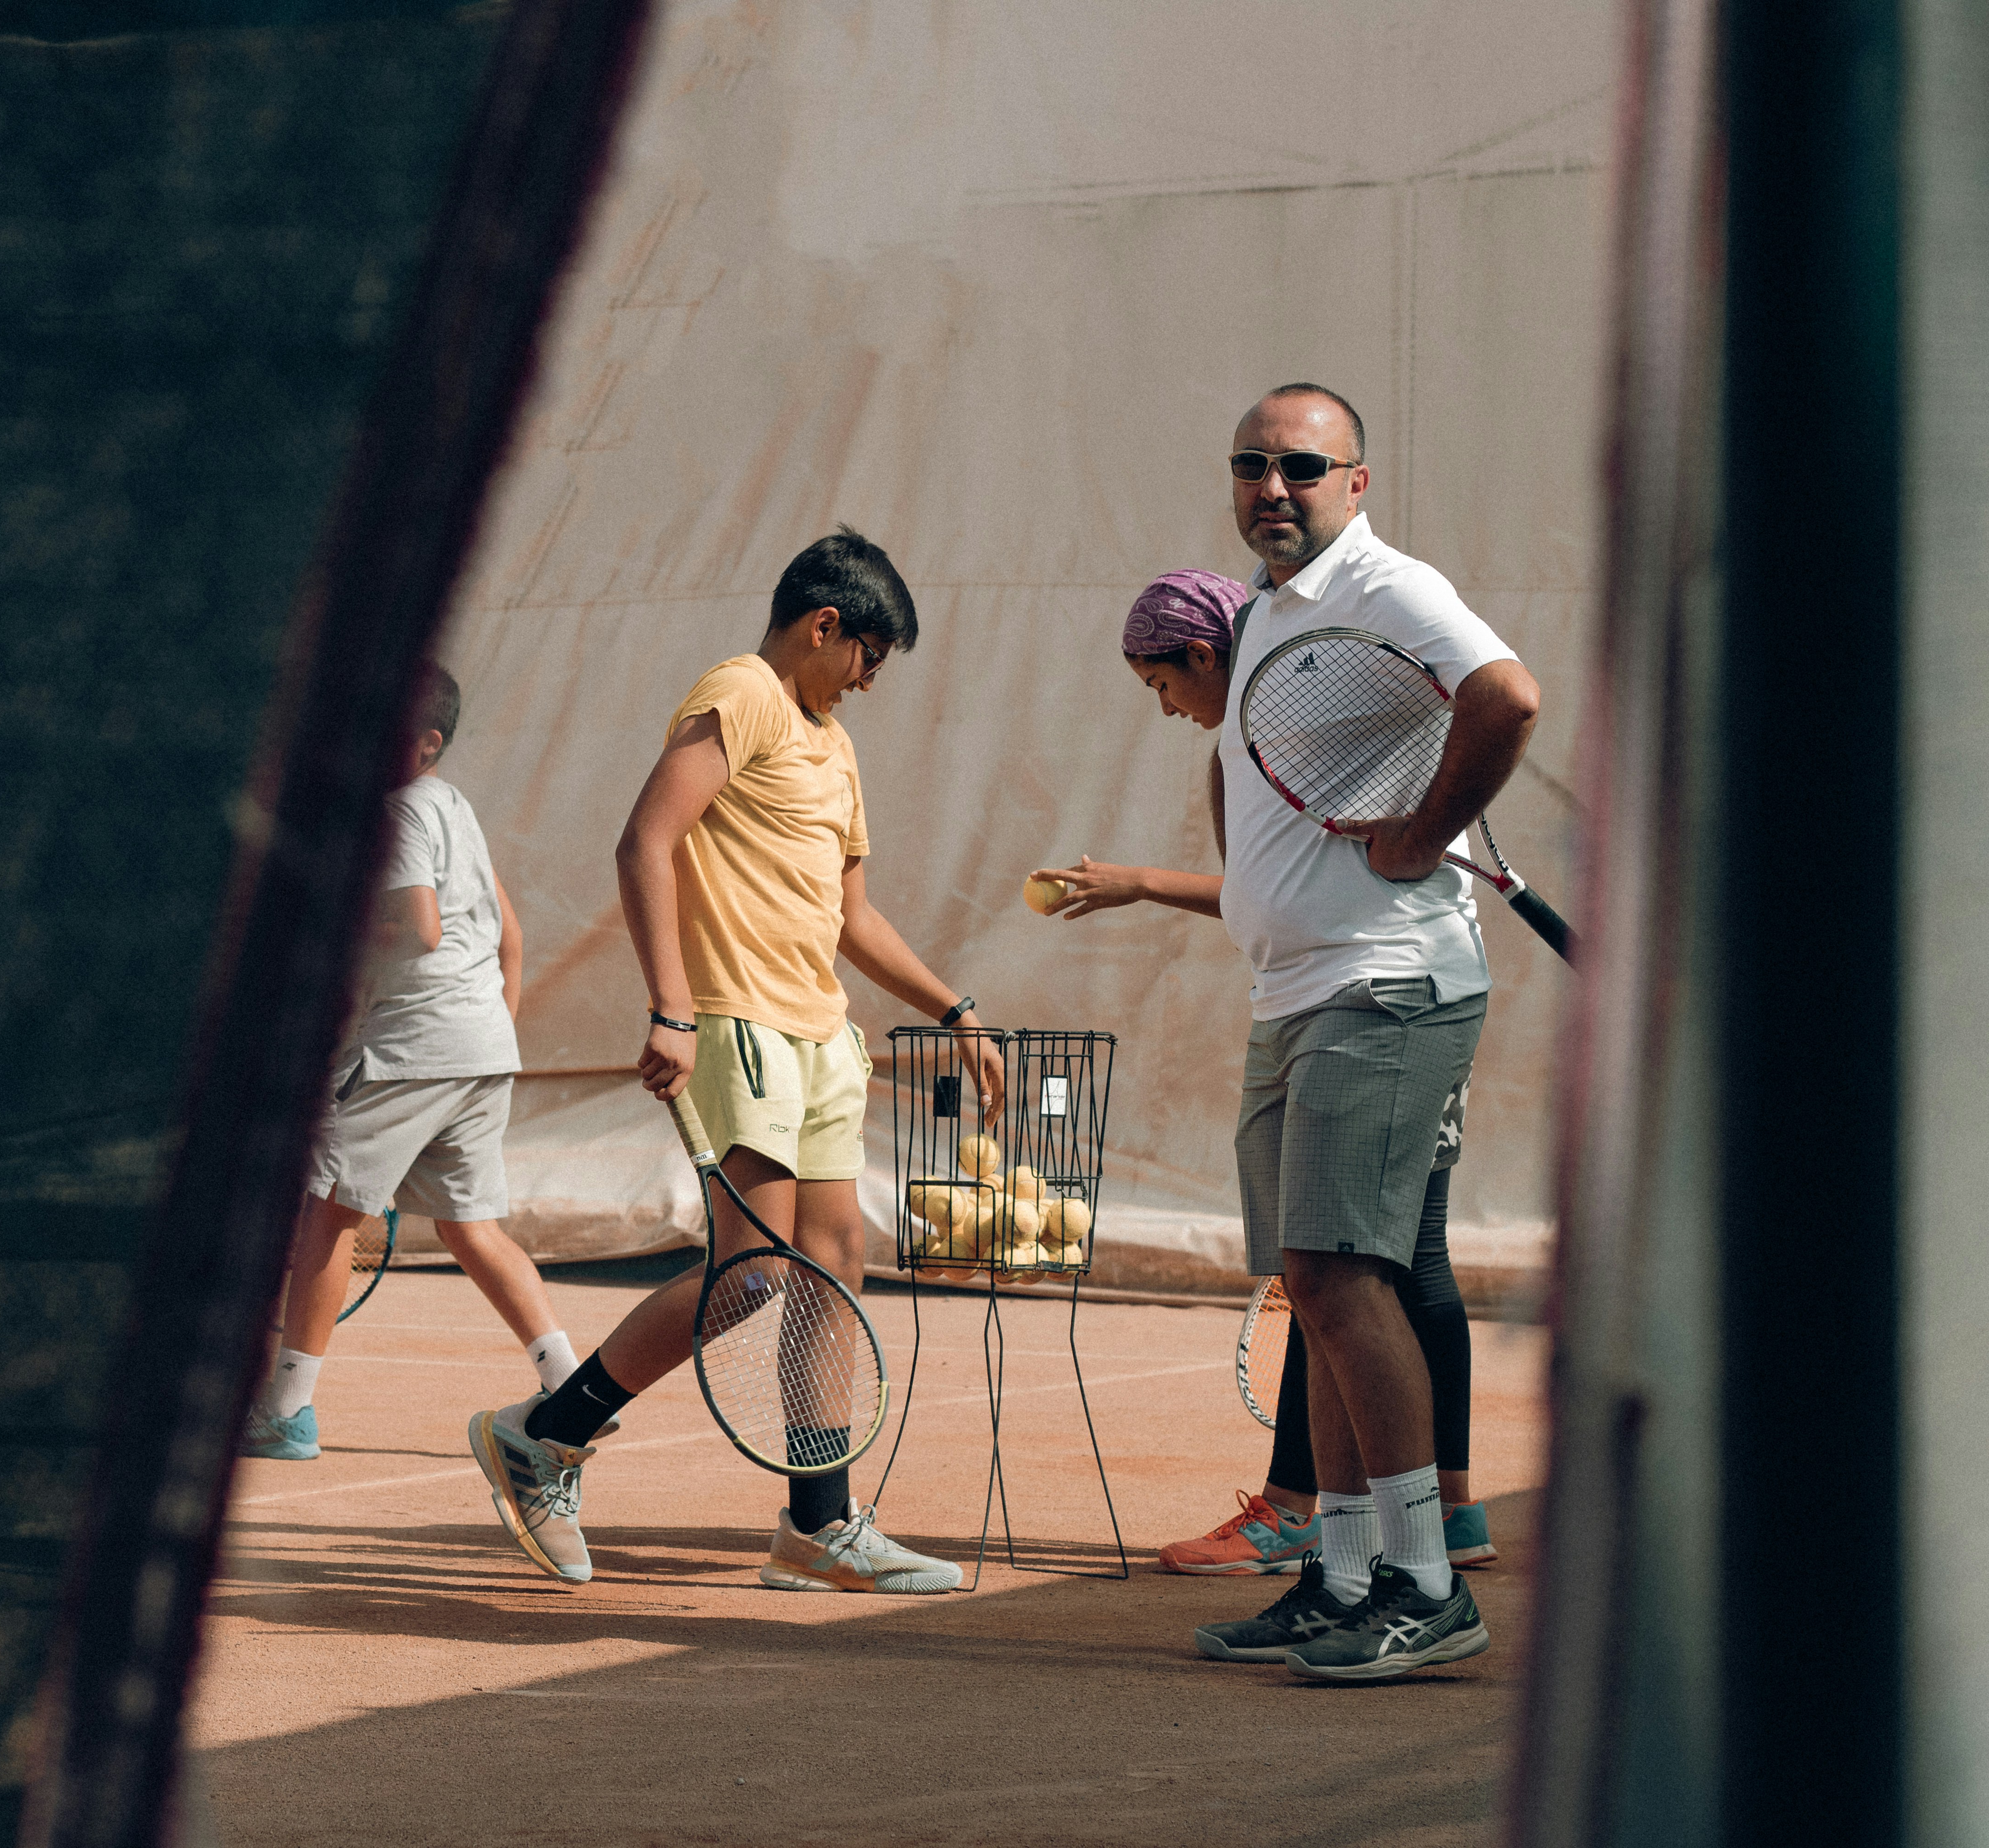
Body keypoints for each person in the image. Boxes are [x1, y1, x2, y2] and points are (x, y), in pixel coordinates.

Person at [465, 526, 1004, 1590]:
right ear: (825, 625)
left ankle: (817, 1526)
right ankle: (545, 1436)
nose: (867, 682)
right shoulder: (744, 691)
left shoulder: (834, 743)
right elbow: (646, 840)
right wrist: (672, 1005)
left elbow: (851, 913)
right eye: (867, 658)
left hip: (820, 1035)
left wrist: (955, 1007)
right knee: (754, 1272)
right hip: (739, 1023)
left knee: (833, 1267)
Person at [1032, 570, 1499, 1580]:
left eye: (1161, 684)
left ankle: (1336, 1527)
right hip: (1367, 997)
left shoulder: (1295, 725)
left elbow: (1283, 886)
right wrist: (1145, 883)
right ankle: (1433, 1519)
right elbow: (1269, 899)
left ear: (1203, 656)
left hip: (1384, 1004)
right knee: (1396, 1259)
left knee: (1333, 1268)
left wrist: (1142, 882)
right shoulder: (1280, 734)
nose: (1164, 708)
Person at [242, 664, 589, 1460]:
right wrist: (490, 1029)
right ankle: (570, 1388)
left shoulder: (394, 815)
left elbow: (419, 931)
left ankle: (287, 1411)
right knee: (473, 1228)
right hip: (477, 1049)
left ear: (425, 744)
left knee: (328, 1213)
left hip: (410, 1049)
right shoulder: (455, 809)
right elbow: (510, 935)